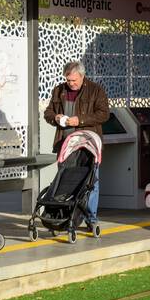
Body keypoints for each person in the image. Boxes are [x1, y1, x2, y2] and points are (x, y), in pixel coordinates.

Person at [44, 61, 109, 233]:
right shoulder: (59, 90)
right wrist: (56, 117)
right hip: (65, 145)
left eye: (73, 80)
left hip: (88, 145)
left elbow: (103, 114)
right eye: (68, 80)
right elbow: (47, 113)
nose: (70, 83)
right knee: (64, 182)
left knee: (91, 182)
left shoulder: (95, 90)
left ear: (82, 76)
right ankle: (62, 218)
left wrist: (79, 120)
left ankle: (90, 218)